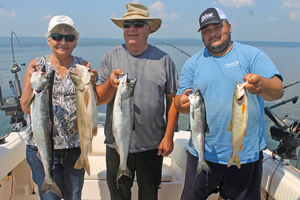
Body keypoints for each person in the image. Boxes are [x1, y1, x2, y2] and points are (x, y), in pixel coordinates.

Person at [174, 7, 284, 200]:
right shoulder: (193, 63)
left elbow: (277, 90)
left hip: (245, 153)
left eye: (217, 27)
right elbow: (179, 99)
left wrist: (262, 84)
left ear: (229, 27)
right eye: (206, 30)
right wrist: (181, 103)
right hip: (202, 151)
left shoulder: (251, 55)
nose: (212, 33)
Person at [95, 2, 179, 200]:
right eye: (127, 24)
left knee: (149, 196)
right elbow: (98, 99)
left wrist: (169, 137)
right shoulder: (109, 57)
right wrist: (110, 84)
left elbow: (173, 101)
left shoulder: (164, 60)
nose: (132, 28)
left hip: (152, 145)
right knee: (118, 196)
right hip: (116, 145)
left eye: (138, 24)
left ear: (149, 28)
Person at [20, 15, 97, 200]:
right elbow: (25, 106)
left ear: (76, 42)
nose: (63, 42)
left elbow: (93, 104)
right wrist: (32, 82)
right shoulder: (37, 66)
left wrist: (93, 83)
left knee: (74, 197)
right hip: (42, 147)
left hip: (74, 149)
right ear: (48, 40)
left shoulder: (83, 67)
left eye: (69, 38)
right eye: (57, 36)